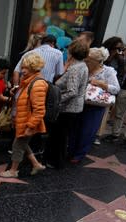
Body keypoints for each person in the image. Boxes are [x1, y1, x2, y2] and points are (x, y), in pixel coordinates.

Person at [68, 47, 120, 162]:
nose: (85, 61)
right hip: (78, 102)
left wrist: (101, 84)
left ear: (98, 61)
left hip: (95, 106)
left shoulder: (108, 71)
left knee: (88, 130)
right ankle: (70, 151)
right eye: (85, 59)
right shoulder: (83, 67)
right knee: (74, 128)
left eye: (88, 60)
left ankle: (79, 154)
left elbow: (116, 89)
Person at [0, 53, 47, 178]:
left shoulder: (38, 84)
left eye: (26, 68)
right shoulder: (28, 80)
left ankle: (13, 171)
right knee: (22, 143)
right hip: (23, 120)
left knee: (17, 145)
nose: (22, 70)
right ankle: (36, 164)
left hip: (27, 122)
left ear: (34, 68)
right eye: (23, 67)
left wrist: (30, 126)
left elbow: (39, 110)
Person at [44, 40, 89, 169]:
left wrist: (57, 101)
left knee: (59, 136)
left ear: (71, 52)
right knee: (62, 136)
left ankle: (55, 162)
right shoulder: (82, 65)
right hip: (74, 107)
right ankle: (56, 160)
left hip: (68, 108)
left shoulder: (75, 68)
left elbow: (72, 91)